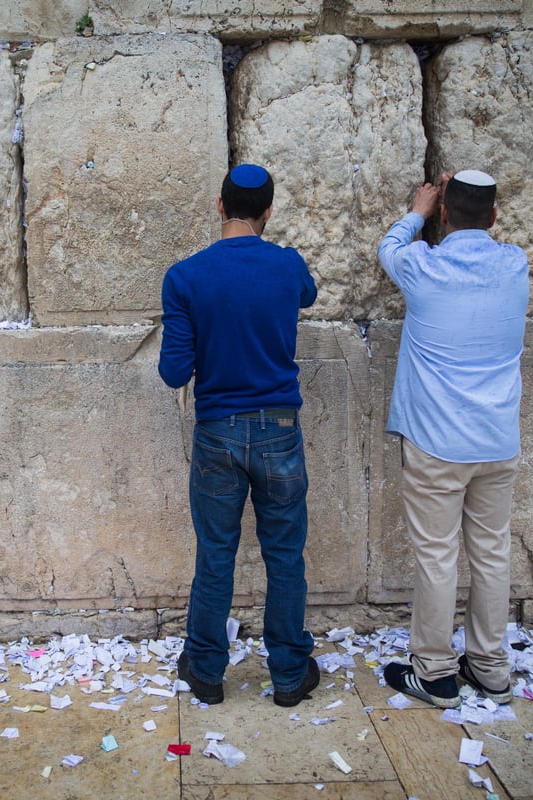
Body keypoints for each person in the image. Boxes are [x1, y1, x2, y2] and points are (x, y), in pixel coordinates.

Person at [158, 164, 320, 707]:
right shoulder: (287, 266)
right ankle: (290, 675)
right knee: (285, 554)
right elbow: (307, 294)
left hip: (217, 434)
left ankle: (206, 671)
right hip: (279, 429)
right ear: (269, 212)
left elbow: (174, 373)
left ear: (219, 205)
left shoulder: (184, 277)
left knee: (216, 554)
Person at [376, 170, 529, 709]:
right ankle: (490, 667)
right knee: (491, 553)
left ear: (444, 215)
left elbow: (389, 246)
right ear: (492, 217)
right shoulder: (515, 265)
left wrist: (419, 208)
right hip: (497, 441)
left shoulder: (422, 266)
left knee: (438, 557)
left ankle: (436, 672)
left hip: (437, 443)